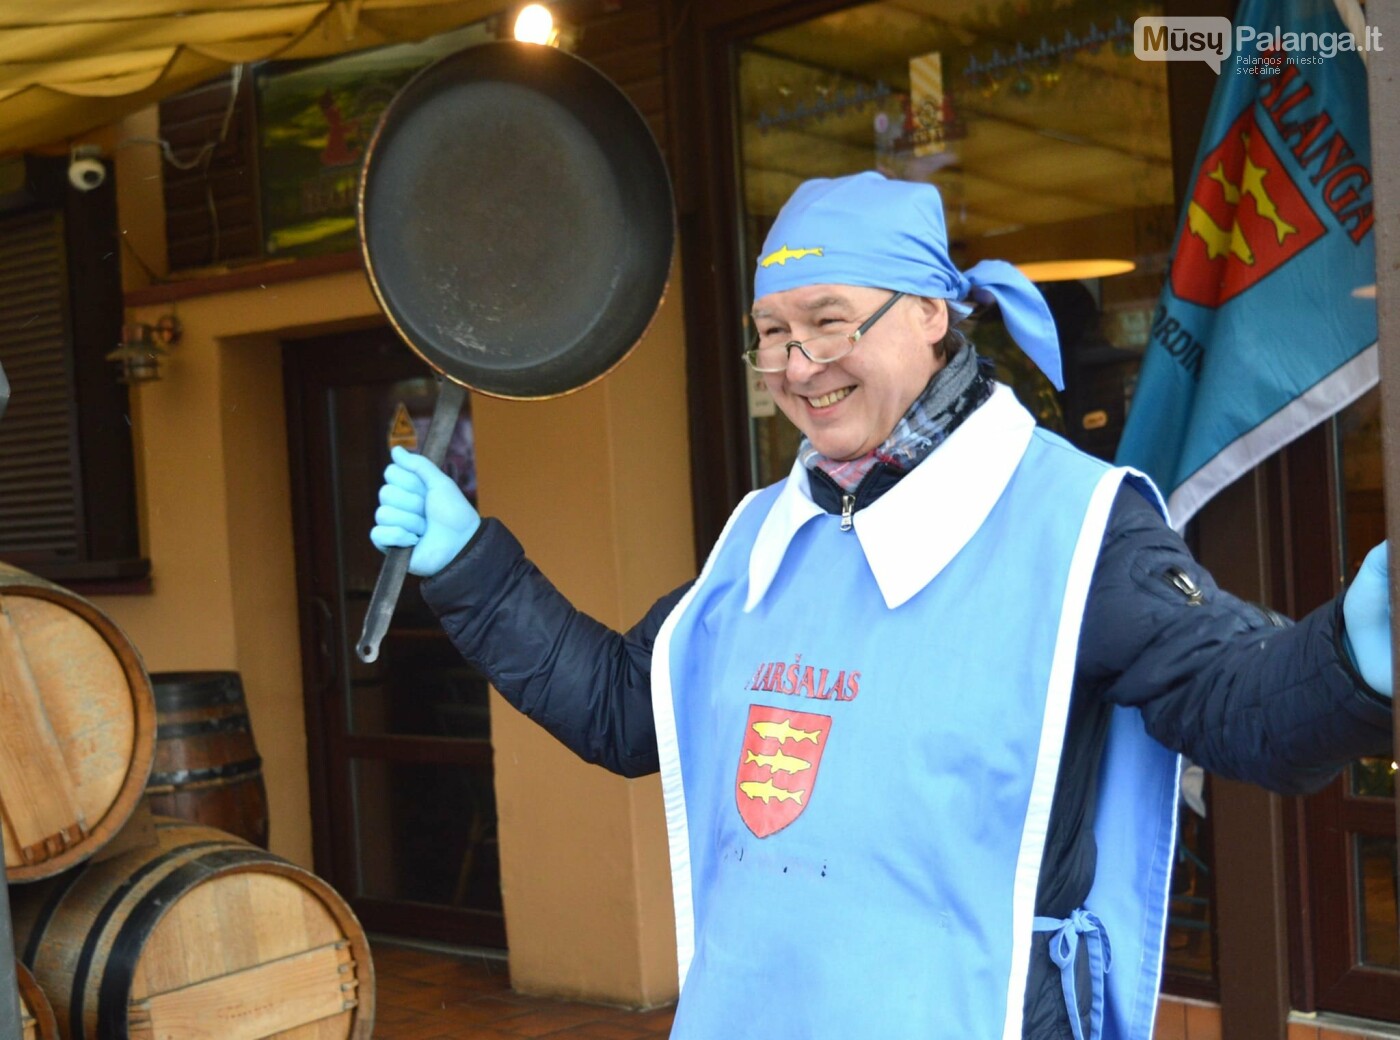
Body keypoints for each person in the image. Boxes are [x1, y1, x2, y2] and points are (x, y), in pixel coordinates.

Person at [370, 171, 1395, 1040]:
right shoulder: (764, 533)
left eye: (825, 323)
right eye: (769, 334)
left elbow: (1234, 700)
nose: (794, 367)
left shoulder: (1071, 523)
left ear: (929, 315)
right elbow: (621, 710)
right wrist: (471, 564)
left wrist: (1351, 654)